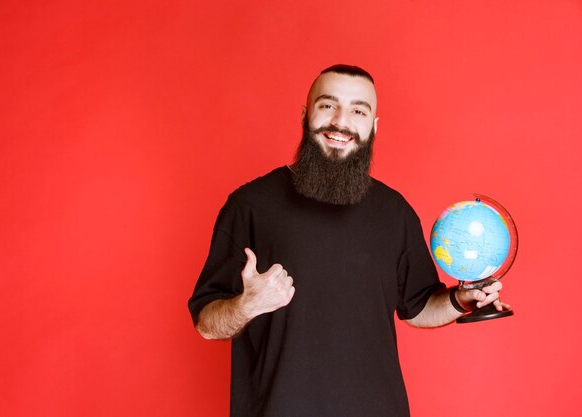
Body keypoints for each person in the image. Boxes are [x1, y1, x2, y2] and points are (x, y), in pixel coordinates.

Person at [189, 64, 508, 417]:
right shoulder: (250, 205)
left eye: (358, 110)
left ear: (372, 126)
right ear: (305, 114)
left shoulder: (394, 212)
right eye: (328, 105)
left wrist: (461, 299)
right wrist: (246, 305)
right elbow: (206, 324)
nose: (341, 122)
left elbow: (417, 309)